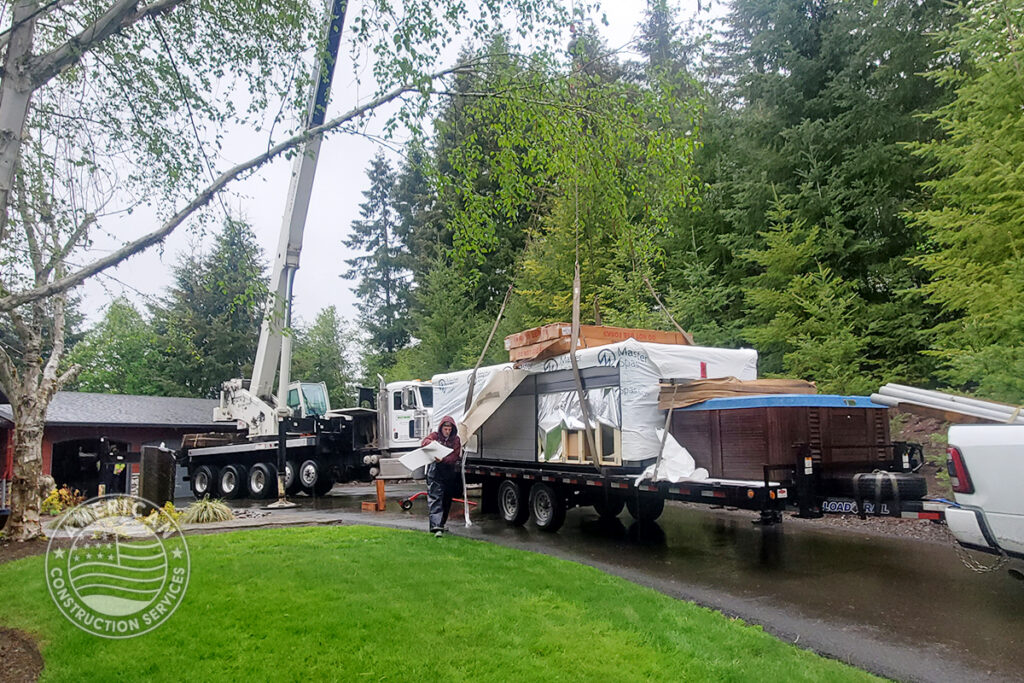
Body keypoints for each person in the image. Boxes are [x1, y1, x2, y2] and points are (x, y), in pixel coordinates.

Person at [422, 415, 462, 537]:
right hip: (435, 472)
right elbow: (424, 442)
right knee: (435, 499)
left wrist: (443, 459)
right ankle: (436, 526)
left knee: (446, 500)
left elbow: (454, 456)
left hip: (449, 473)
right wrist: (433, 444)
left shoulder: (456, 440)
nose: (447, 431)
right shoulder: (435, 436)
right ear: (441, 428)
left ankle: (440, 525)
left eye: (449, 429)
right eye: (446, 428)